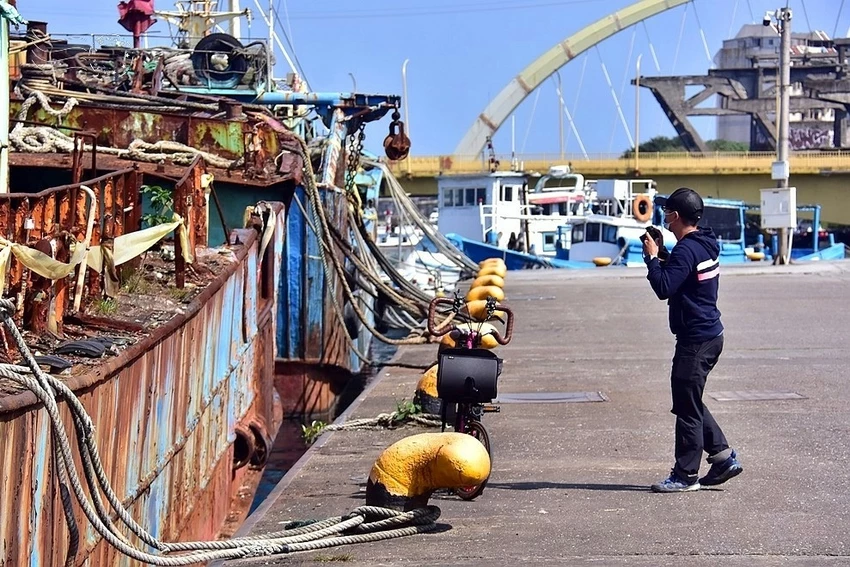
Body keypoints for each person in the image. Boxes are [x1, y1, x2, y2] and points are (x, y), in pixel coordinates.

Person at [642, 187, 743, 493]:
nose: (664, 219)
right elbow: (681, 272)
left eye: (666, 214)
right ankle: (723, 458)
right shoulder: (702, 243)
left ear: (674, 216)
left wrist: (650, 259)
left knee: (686, 407)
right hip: (710, 335)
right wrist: (662, 253)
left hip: (695, 341)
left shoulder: (687, 249)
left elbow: (664, 286)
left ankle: (685, 475)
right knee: (690, 400)